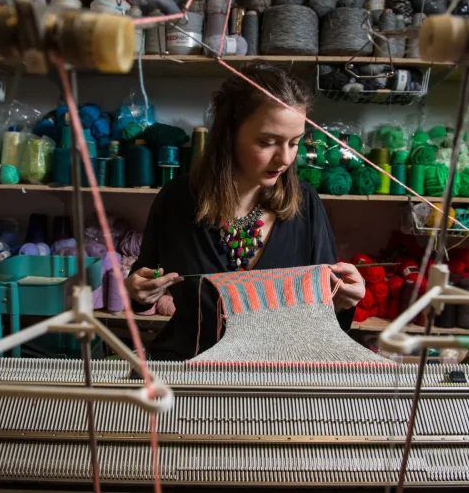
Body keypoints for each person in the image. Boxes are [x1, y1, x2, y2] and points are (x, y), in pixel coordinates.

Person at [125, 61, 365, 361]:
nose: (285, 157)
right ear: (229, 133)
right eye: (268, 142)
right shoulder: (176, 200)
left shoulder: (306, 204)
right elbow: (144, 282)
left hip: (276, 379)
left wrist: (343, 302)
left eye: (295, 143)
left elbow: (322, 319)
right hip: (188, 372)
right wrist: (138, 292)